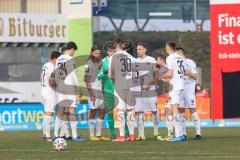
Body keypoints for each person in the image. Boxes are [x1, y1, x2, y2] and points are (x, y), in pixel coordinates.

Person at [144, 41, 186, 141]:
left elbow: (170, 74)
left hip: (174, 86)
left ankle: (178, 135)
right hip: (181, 85)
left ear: (167, 47)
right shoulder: (180, 57)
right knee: (178, 110)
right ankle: (182, 134)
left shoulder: (170, 57)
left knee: (174, 109)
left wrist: (160, 76)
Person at [52, 41, 84, 141]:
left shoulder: (58, 60)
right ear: (71, 50)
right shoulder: (70, 59)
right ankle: (74, 136)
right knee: (72, 111)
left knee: (60, 111)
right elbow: (73, 75)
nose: (73, 53)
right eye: (74, 51)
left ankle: (55, 134)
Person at [132, 42, 162, 140]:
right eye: (137, 49)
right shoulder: (135, 61)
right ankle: (141, 134)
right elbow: (134, 77)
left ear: (145, 50)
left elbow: (157, 75)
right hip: (139, 91)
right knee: (139, 112)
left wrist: (149, 84)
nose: (138, 51)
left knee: (154, 111)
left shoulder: (151, 60)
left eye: (140, 49)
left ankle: (156, 132)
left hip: (151, 90)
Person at [108, 40, 136, 142]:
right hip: (130, 85)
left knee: (120, 110)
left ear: (116, 46)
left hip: (119, 85)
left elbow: (110, 74)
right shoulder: (130, 57)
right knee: (130, 110)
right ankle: (132, 135)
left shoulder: (113, 57)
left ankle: (122, 136)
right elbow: (135, 73)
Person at [84, 46, 109, 141]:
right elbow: (86, 80)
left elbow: (101, 75)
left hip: (99, 90)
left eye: (98, 53)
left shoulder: (101, 62)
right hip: (92, 90)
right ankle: (91, 135)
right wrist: (91, 94)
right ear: (91, 53)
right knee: (93, 111)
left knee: (102, 111)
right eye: (96, 53)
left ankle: (98, 135)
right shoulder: (88, 63)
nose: (97, 55)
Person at [176, 47, 201, 140]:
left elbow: (195, 76)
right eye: (176, 54)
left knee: (192, 110)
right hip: (180, 91)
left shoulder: (190, 62)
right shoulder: (176, 64)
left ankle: (198, 133)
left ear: (184, 54)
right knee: (181, 111)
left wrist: (188, 72)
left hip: (189, 91)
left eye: (179, 53)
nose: (178, 55)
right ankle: (183, 134)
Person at [97, 41, 117, 140]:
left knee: (123, 112)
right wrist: (104, 72)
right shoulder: (104, 61)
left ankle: (126, 133)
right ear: (107, 52)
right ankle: (113, 133)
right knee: (110, 112)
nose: (112, 53)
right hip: (108, 90)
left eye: (114, 51)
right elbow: (98, 76)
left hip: (120, 90)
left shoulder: (120, 60)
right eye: (110, 51)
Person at [41, 51, 61, 141]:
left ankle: (45, 134)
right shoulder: (52, 67)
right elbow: (52, 81)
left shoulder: (45, 65)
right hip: (49, 92)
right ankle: (48, 136)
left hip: (43, 90)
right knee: (50, 113)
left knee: (46, 113)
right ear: (55, 59)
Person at [155, 54, 174, 140]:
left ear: (162, 61)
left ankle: (172, 133)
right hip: (170, 93)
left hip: (174, 93)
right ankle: (172, 133)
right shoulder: (162, 69)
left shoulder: (165, 68)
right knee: (169, 111)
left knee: (170, 112)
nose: (156, 61)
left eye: (157, 60)